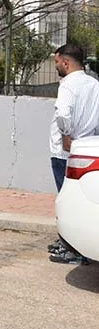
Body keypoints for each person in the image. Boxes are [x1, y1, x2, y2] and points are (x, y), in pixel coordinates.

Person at [48, 44, 99, 263]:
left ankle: (74, 250)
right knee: (78, 200)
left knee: (66, 198)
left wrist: (67, 134)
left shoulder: (68, 85)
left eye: (58, 62)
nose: (57, 66)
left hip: (64, 152)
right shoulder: (94, 84)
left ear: (66, 63)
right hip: (86, 150)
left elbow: (63, 113)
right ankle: (70, 243)